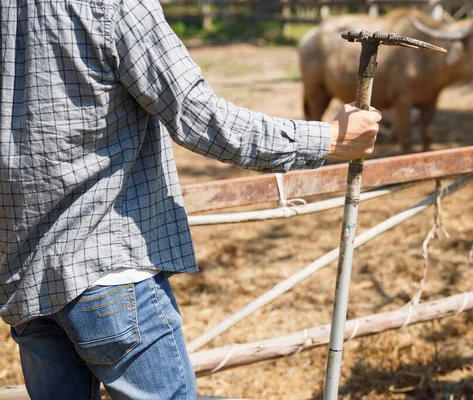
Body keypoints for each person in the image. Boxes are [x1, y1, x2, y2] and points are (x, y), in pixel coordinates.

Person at [0, 0, 381, 398]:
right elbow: (199, 116)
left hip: (23, 279)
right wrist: (330, 139)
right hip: (107, 269)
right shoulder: (112, 5)